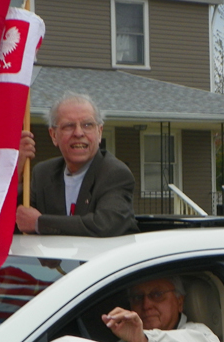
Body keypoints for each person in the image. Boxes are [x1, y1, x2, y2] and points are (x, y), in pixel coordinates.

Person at [16, 92, 139, 237]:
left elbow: (105, 225)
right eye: (69, 126)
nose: (79, 133)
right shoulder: (43, 173)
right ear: (53, 135)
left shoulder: (115, 174)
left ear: (99, 132)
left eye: (87, 125)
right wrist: (16, 169)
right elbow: (15, 220)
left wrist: (39, 223)